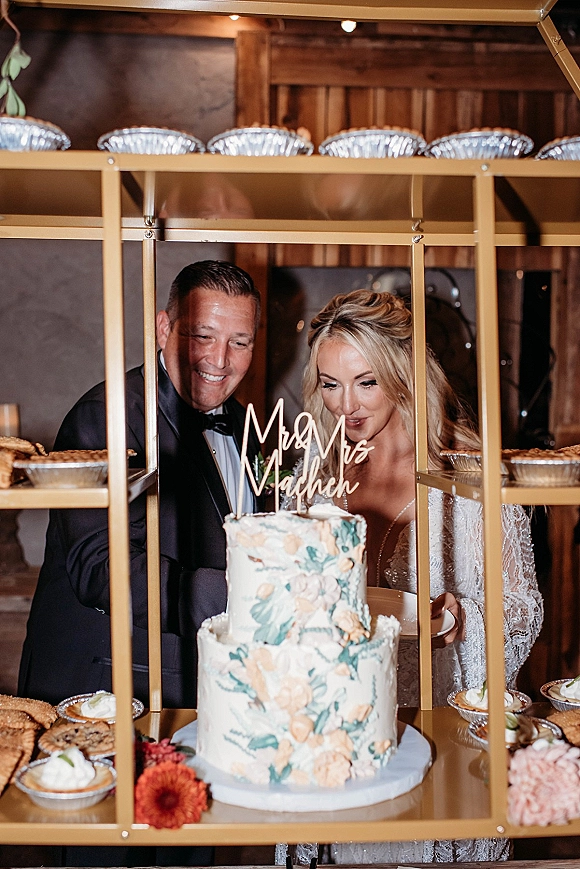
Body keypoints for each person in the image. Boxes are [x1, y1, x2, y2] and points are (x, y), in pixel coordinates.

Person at [282, 288, 543, 864]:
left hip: (435, 727)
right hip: (339, 731)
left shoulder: (467, 477)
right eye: (330, 384)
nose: (345, 404)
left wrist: (465, 616)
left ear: (402, 375)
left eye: (366, 382)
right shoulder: (315, 475)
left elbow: (523, 610)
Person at [19, 260, 264, 711]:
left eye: (240, 342)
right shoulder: (106, 416)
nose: (219, 359)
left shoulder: (243, 423)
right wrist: (250, 592)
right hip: (111, 686)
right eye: (202, 336)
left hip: (204, 681)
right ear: (163, 328)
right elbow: (100, 569)